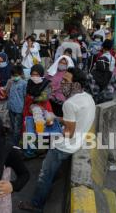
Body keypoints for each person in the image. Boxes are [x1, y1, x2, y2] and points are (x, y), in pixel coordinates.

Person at [19, 67, 95, 212]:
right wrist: (55, 118)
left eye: (66, 81)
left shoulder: (69, 104)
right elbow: (73, 121)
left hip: (63, 146)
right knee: (54, 170)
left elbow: (69, 132)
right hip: (78, 143)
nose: (62, 83)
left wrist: (49, 134)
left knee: (44, 175)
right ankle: (55, 175)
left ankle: (36, 205)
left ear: (76, 85)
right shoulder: (87, 97)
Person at [6, 65, 27, 146]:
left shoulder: (24, 83)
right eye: (13, 75)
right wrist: (9, 84)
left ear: (20, 74)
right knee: (12, 126)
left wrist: (24, 108)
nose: (15, 77)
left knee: (17, 128)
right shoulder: (10, 82)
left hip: (19, 109)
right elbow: (7, 91)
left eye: (16, 75)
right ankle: (13, 142)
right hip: (11, 107)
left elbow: (25, 96)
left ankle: (15, 144)